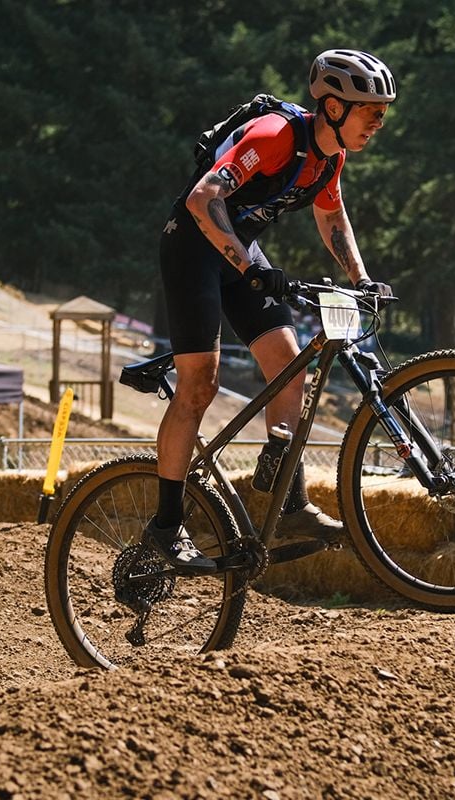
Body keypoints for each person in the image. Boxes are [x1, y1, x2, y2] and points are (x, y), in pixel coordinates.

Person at [147, 49, 397, 573]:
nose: (378, 120)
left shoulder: (330, 158)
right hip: (193, 248)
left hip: (239, 250)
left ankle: (290, 502)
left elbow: (332, 217)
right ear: (331, 106)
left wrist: (362, 279)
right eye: (368, 108)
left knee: (290, 369)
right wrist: (250, 268)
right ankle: (165, 526)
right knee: (199, 386)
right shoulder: (276, 136)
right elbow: (202, 198)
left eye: (383, 110)